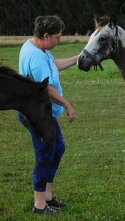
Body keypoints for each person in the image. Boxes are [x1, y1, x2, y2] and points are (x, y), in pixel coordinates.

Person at [18, 15, 78, 214]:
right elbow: (47, 89)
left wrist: (78, 58)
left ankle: (47, 197)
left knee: (57, 148)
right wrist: (67, 104)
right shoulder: (34, 57)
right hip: (37, 115)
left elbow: (54, 64)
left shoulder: (40, 48)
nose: (59, 40)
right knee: (45, 154)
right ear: (46, 36)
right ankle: (39, 205)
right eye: (57, 37)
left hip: (45, 114)